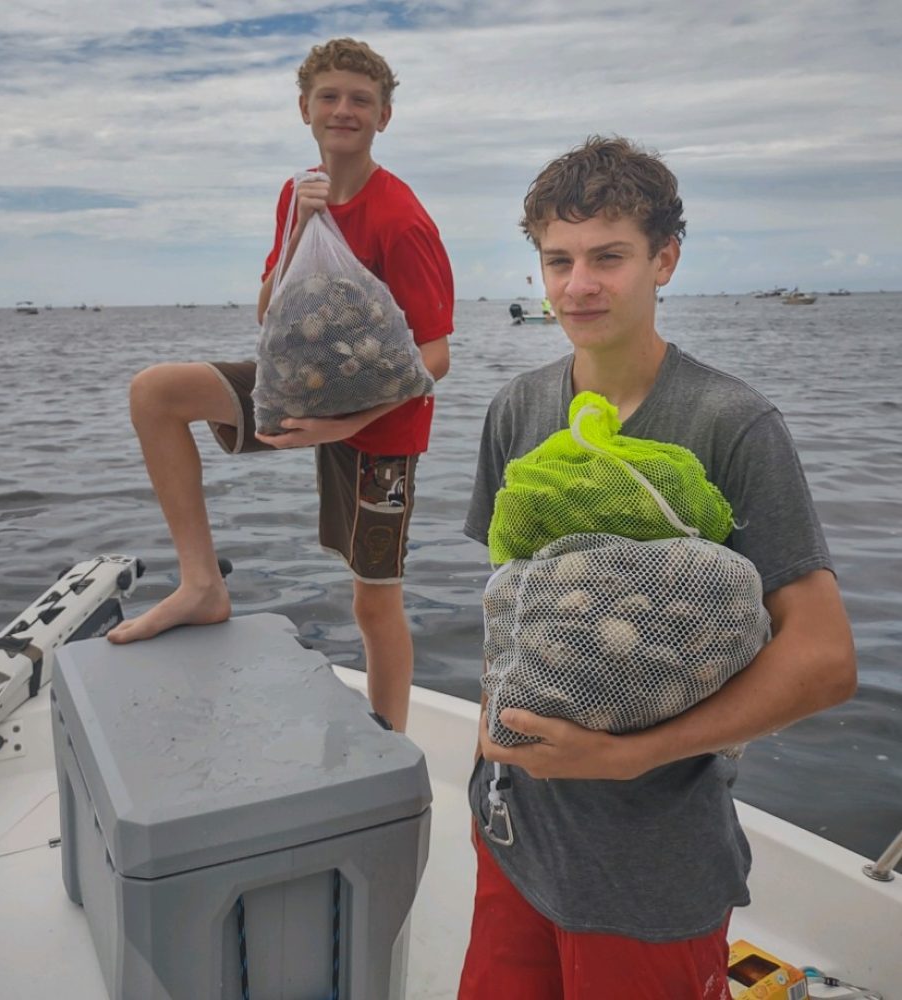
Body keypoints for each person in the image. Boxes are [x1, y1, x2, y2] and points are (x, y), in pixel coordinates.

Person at [458, 136, 856, 999]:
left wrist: (631, 756)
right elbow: (507, 602)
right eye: (558, 261)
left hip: (650, 866)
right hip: (513, 835)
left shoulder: (731, 423)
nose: (578, 285)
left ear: (665, 259)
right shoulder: (516, 409)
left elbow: (824, 660)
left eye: (609, 257)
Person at [107, 38, 454, 734]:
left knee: (373, 605)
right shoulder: (298, 193)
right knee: (156, 394)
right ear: (305, 108)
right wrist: (300, 221)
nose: (344, 110)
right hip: (304, 384)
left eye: (361, 99)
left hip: (379, 426)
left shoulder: (402, 218)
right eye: (330, 96)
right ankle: (202, 586)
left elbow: (435, 356)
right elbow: (271, 309)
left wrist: (345, 427)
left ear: (384, 116)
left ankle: (390, 743)